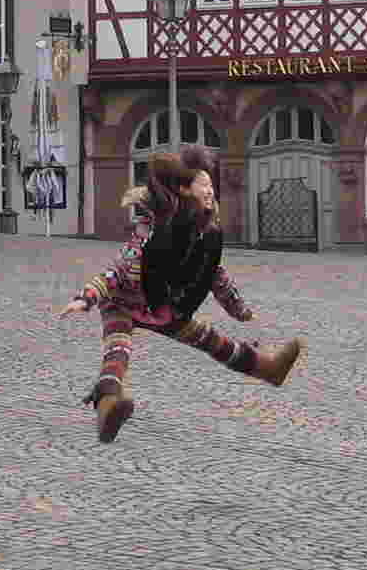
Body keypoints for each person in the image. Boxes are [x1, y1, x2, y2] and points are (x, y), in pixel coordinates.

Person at [60, 144, 302, 445]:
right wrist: (86, 297)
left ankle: (269, 369)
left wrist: (238, 308)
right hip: (125, 300)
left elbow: (214, 273)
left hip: (166, 306)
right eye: (205, 185)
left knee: (211, 340)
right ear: (185, 190)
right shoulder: (155, 229)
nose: (211, 191)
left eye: (213, 185)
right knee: (118, 349)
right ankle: (109, 404)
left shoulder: (206, 231)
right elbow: (120, 269)